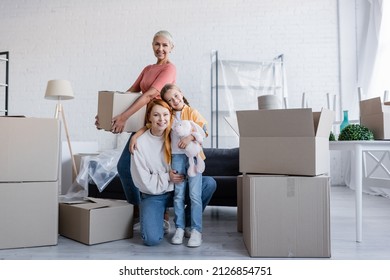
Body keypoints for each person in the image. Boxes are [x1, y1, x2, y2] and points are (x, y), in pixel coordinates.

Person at [96, 30, 216, 234]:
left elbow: (151, 94)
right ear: (152, 45)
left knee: (161, 162)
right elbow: (131, 93)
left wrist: (124, 117)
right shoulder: (148, 68)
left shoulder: (170, 68)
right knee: (125, 166)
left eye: (165, 45)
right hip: (145, 124)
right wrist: (107, 116)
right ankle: (139, 208)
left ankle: (165, 214)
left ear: (171, 48)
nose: (160, 49)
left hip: (162, 122)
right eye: (156, 44)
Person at [130, 84, 208, 247]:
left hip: (180, 174)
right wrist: (135, 135)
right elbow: (152, 123)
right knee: (151, 240)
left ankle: (191, 227)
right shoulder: (142, 141)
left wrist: (192, 137)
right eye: (156, 115)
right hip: (155, 192)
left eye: (165, 115)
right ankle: (172, 225)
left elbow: (203, 129)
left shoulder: (173, 122)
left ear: (182, 94)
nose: (162, 119)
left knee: (205, 186)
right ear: (150, 118)